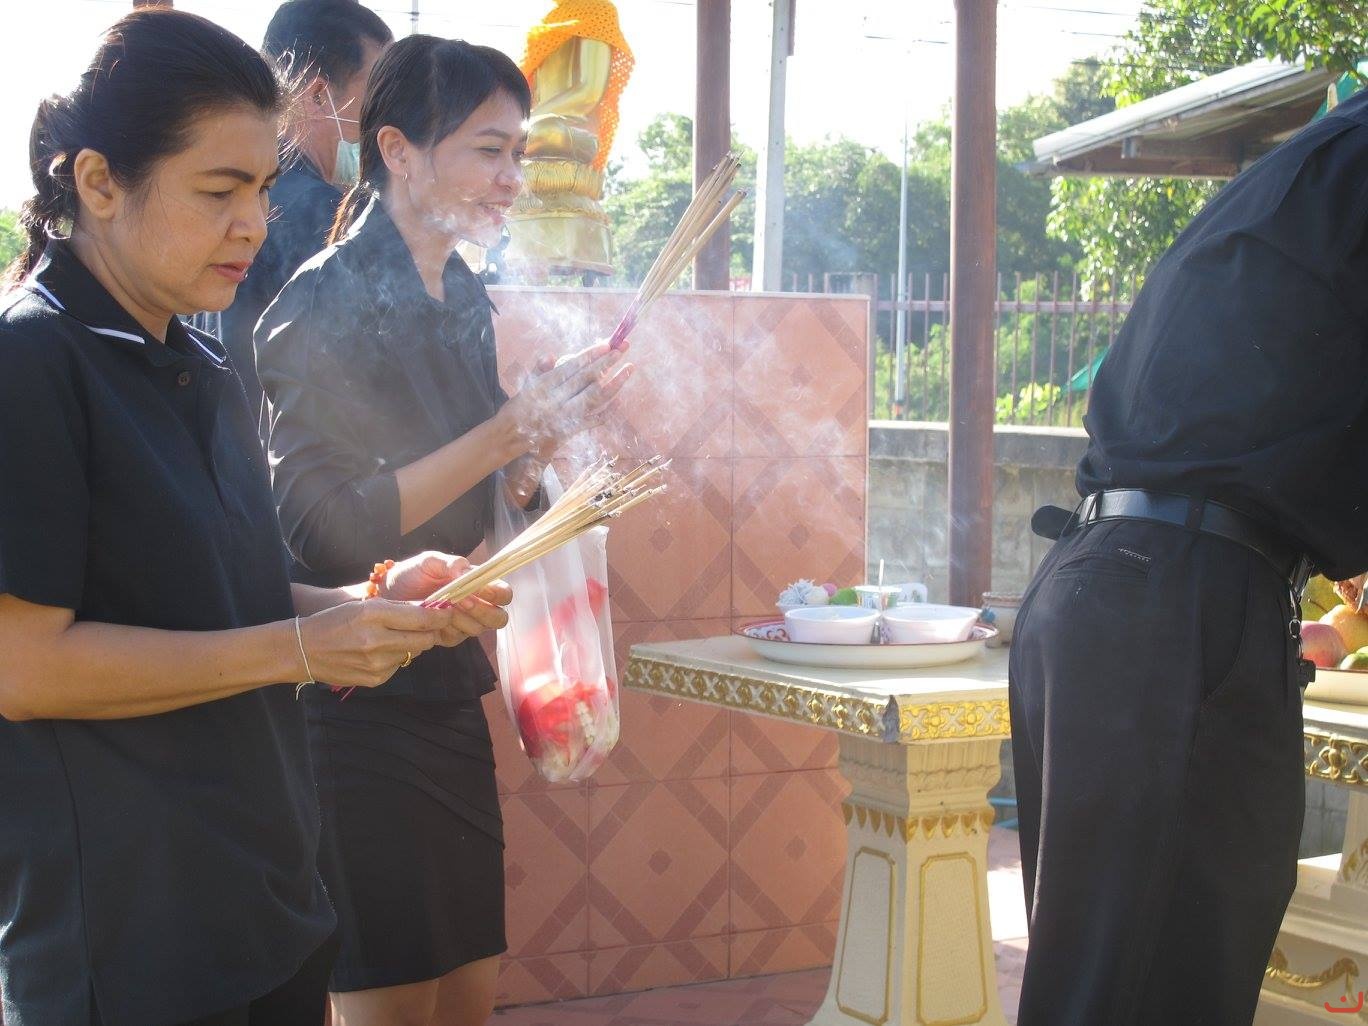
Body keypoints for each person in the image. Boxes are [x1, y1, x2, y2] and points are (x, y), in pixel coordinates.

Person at [0, 12, 510, 1025]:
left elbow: (231, 592)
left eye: (266, 189)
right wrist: (301, 649)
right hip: (128, 942)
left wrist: (372, 597)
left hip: (262, 907)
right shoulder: (34, 362)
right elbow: (25, 667)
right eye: (219, 191)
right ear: (99, 182)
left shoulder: (199, 361)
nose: (256, 224)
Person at [255, 35, 630, 1026]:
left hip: (444, 684)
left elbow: (475, 489)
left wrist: (532, 449)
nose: (513, 180)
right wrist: (505, 431)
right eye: (489, 151)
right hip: (354, 695)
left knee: (467, 993)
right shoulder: (321, 299)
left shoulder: (459, 292)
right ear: (399, 151)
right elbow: (326, 528)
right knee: (391, 1001)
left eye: (518, 154)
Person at [1009, 86, 1368, 1025]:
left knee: (1112, 984)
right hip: (1181, 604)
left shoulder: (1312, 164)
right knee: (1153, 988)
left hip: (1108, 583)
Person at [219, 0, 393, 420]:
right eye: (378, 95)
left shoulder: (226, 197)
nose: (388, 118)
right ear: (318, 94)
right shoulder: (325, 216)